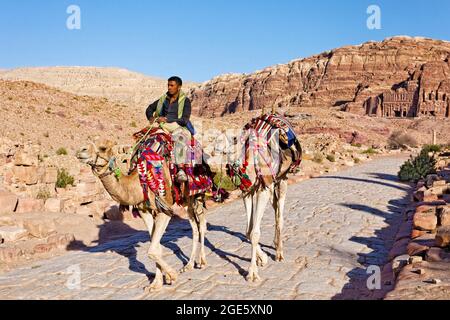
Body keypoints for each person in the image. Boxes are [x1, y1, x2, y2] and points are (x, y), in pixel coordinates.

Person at [146, 76, 194, 182]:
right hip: (163, 126)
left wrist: (167, 119)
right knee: (148, 138)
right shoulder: (163, 100)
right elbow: (149, 108)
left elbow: (184, 119)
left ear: (179, 87)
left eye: (172, 85)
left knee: (180, 137)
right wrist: (153, 118)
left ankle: (181, 169)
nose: (169, 87)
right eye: (168, 85)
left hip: (179, 126)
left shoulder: (185, 101)